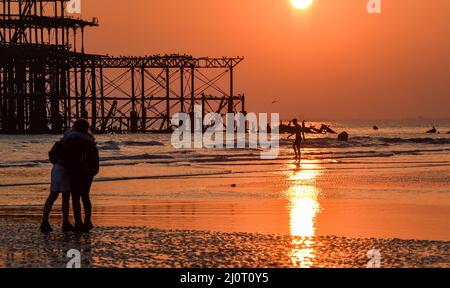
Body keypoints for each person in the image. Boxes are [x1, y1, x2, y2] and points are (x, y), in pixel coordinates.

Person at [62, 119, 100, 232]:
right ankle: (88, 221)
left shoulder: (71, 138)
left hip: (76, 171)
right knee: (85, 196)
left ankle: (78, 222)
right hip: (88, 172)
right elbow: (94, 157)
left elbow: (67, 155)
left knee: (75, 198)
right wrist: (93, 170)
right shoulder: (90, 139)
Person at [40, 139, 75, 233]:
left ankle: (45, 221)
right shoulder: (74, 142)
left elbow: (51, 153)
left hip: (57, 168)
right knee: (63, 197)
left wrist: (57, 162)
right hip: (64, 170)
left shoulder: (61, 142)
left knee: (53, 195)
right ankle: (64, 223)